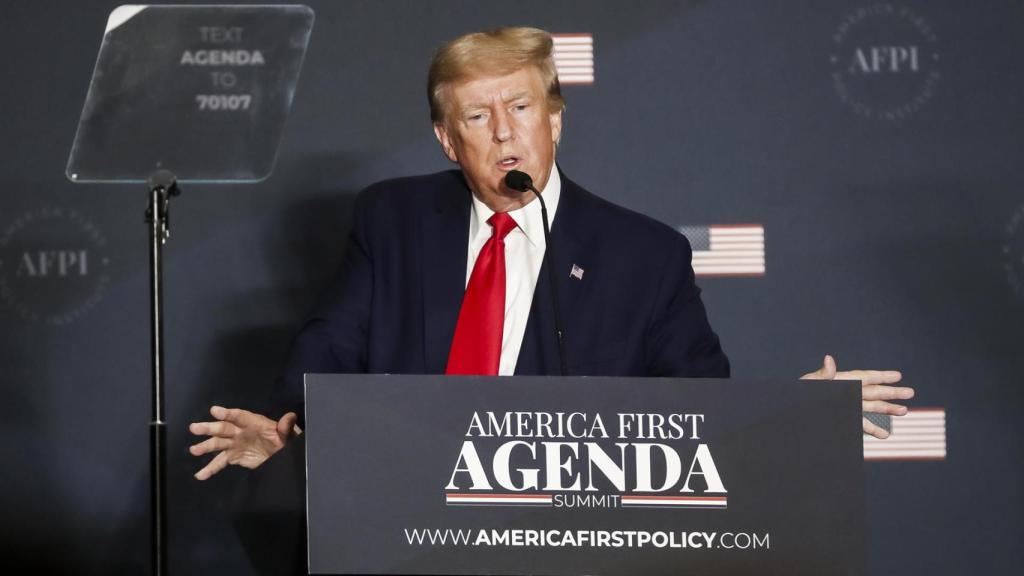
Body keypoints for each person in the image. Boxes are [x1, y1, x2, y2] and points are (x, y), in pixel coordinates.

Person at [189, 27, 913, 481]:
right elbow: (331, 343)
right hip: (400, 518)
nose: (505, 134)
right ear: (448, 140)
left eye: (523, 108)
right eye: (479, 115)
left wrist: (798, 414)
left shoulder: (644, 254)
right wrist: (286, 419)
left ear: (556, 120)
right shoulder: (395, 219)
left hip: (571, 538)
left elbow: (698, 408)